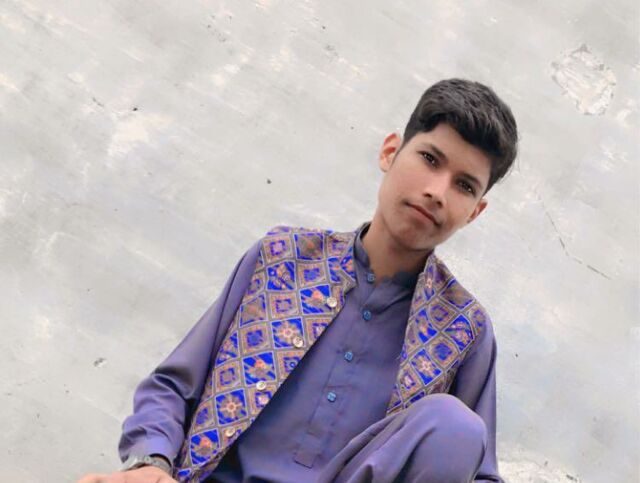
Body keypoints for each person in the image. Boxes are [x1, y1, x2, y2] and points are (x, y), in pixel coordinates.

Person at [78, 78, 518, 483]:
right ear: (390, 153)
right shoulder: (281, 259)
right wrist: (151, 464)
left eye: (464, 186)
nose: (437, 191)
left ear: (475, 212)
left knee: (456, 426)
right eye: (429, 159)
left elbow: (479, 473)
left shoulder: (462, 330)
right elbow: (174, 386)